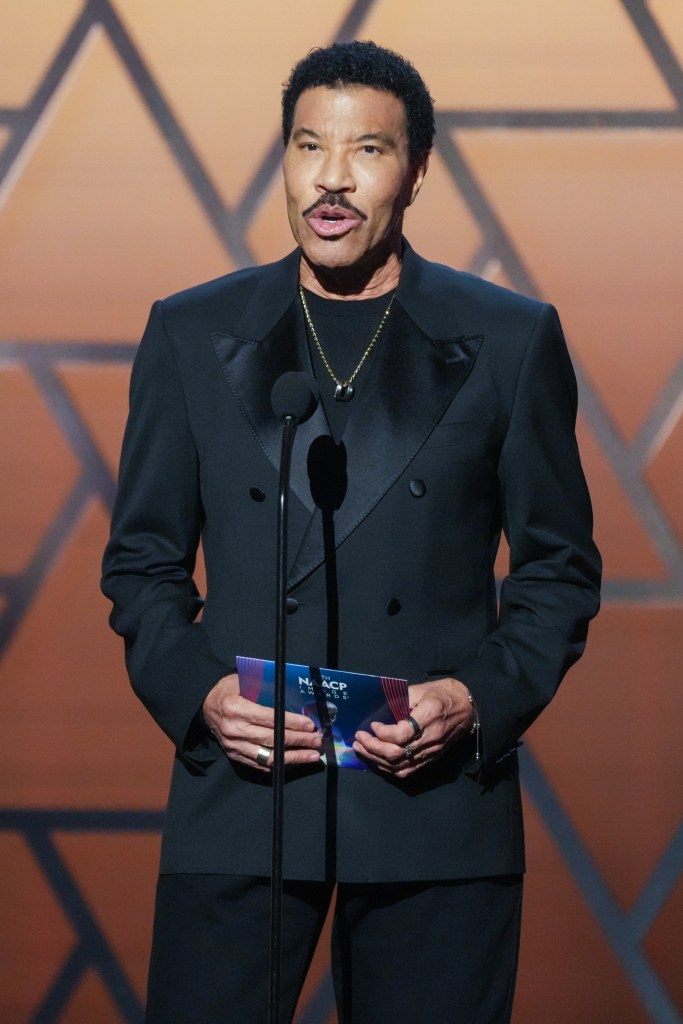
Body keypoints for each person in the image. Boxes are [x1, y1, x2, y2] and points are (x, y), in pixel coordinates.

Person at [102, 40, 601, 1024]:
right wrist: (199, 692)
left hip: (430, 807)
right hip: (244, 797)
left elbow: (556, 569)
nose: (329, 180)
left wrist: (474, 697)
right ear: (282, 159)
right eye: (305, 146)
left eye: (365, 150)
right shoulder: (192, 333)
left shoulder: (507, 339)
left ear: (414, 169)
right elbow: (142, 562)